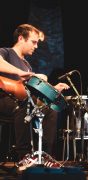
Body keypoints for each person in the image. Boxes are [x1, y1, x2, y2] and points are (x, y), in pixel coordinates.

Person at [0, 24, 70, 169]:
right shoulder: (6, 52)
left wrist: (53, 89)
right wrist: (21, 73)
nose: (36, 46)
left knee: (50, 109)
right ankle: (24, 155)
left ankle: (43, 154)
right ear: (21, 38)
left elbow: (31, 90)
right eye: (33, 42)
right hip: (4, 100)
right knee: (25, 104)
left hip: (24, 101)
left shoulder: (27, 65)